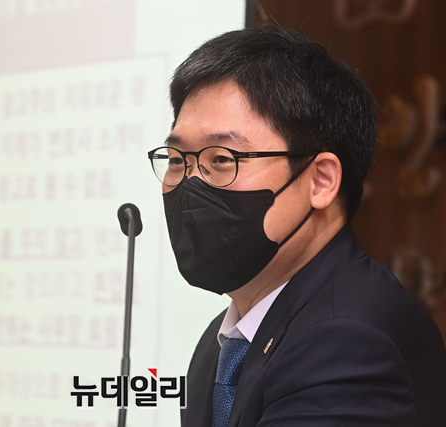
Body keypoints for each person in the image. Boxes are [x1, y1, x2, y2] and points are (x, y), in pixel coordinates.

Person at [147, 26, 446, 427]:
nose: (190, 182)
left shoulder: (346, 339)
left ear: (320, 180)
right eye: (176, 160)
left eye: (221, 159)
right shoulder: (222, 342)